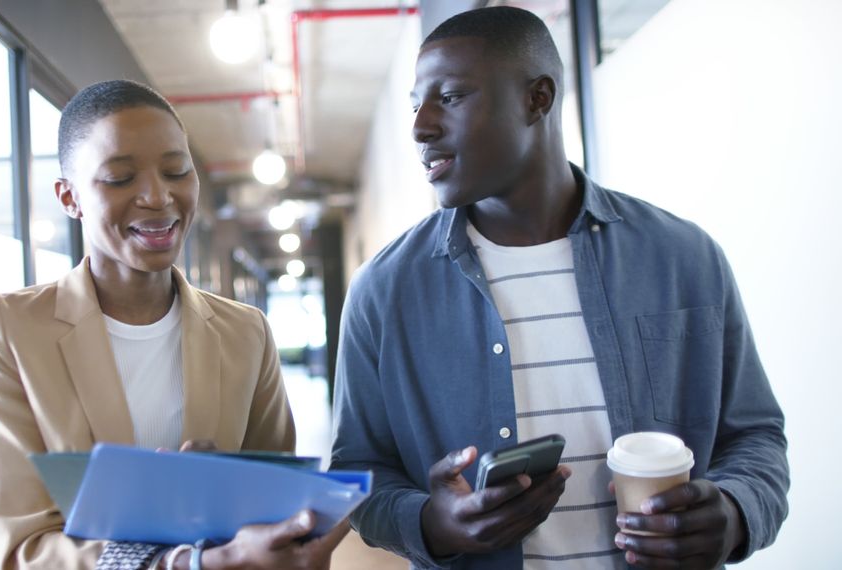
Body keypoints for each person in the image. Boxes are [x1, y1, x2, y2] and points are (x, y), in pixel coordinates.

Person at [330, 7, 787, 570]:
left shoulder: (683, 258)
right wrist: (433, 524)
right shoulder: (386, 291)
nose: (421, 126)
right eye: (416, 104)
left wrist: (738, 512)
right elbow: (359, 473)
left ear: (537, 99)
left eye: (449, 98)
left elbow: (756, 437)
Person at [0, 79, 348, 569]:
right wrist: (183, 563)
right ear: (69, 197)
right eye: (120, 178)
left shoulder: (245, 332)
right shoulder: (8, 331)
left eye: (177, 171)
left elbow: (275, 513)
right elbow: (25, 549)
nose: (157, 196)